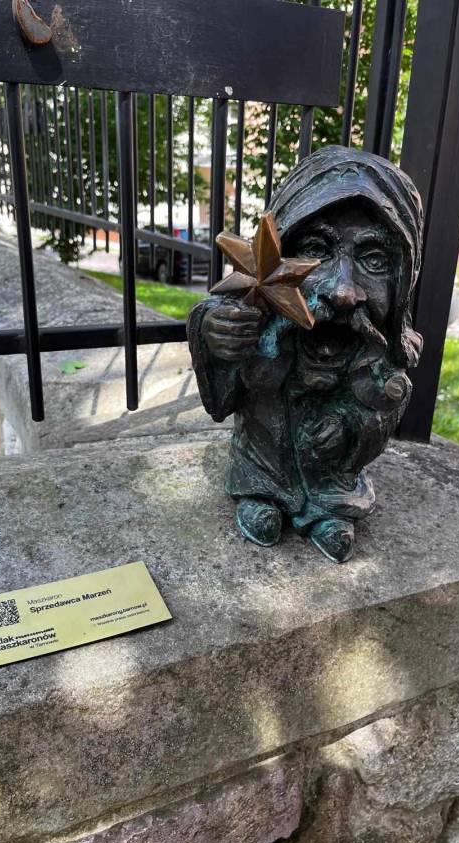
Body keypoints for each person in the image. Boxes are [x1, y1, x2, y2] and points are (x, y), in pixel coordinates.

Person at [188, 147, 423, 563]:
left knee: (335, 471)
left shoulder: (376, 346)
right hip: (263, 455)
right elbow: (221, 333)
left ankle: (329, 510)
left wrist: (350, 426)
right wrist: (216, 333)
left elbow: (385, 403)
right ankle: (262, 494)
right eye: (316, 251)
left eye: (373, 260)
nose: (343, 291)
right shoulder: (263, 313)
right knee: (262, 456)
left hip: (332, 470)